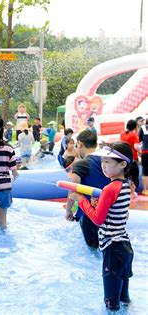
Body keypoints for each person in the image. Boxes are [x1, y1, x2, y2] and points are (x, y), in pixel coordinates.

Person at [69, 142, 137, 311]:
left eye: (108, 162)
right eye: (102, 161)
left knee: (111, 305)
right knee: (124, 300)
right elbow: (119, 213)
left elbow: (98, 220)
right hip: (125, 247)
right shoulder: (127, 185)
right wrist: (96, 204)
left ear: (122, 164)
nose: (103, 166)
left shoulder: (109, 188)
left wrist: (81, 201)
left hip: (112, 250)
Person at [64, 130, 111, 248]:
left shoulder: (82, 164)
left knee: (93, 249)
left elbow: (72, 189)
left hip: (90, 214)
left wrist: (68, 210)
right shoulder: (110, 160)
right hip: (111, 212)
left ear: (79, 144)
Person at [139, 116, 148, 195]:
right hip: (145, 151)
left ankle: (145, 190)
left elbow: (139, 139)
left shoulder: (142, 128)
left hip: (145, 152)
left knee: (145, 171)